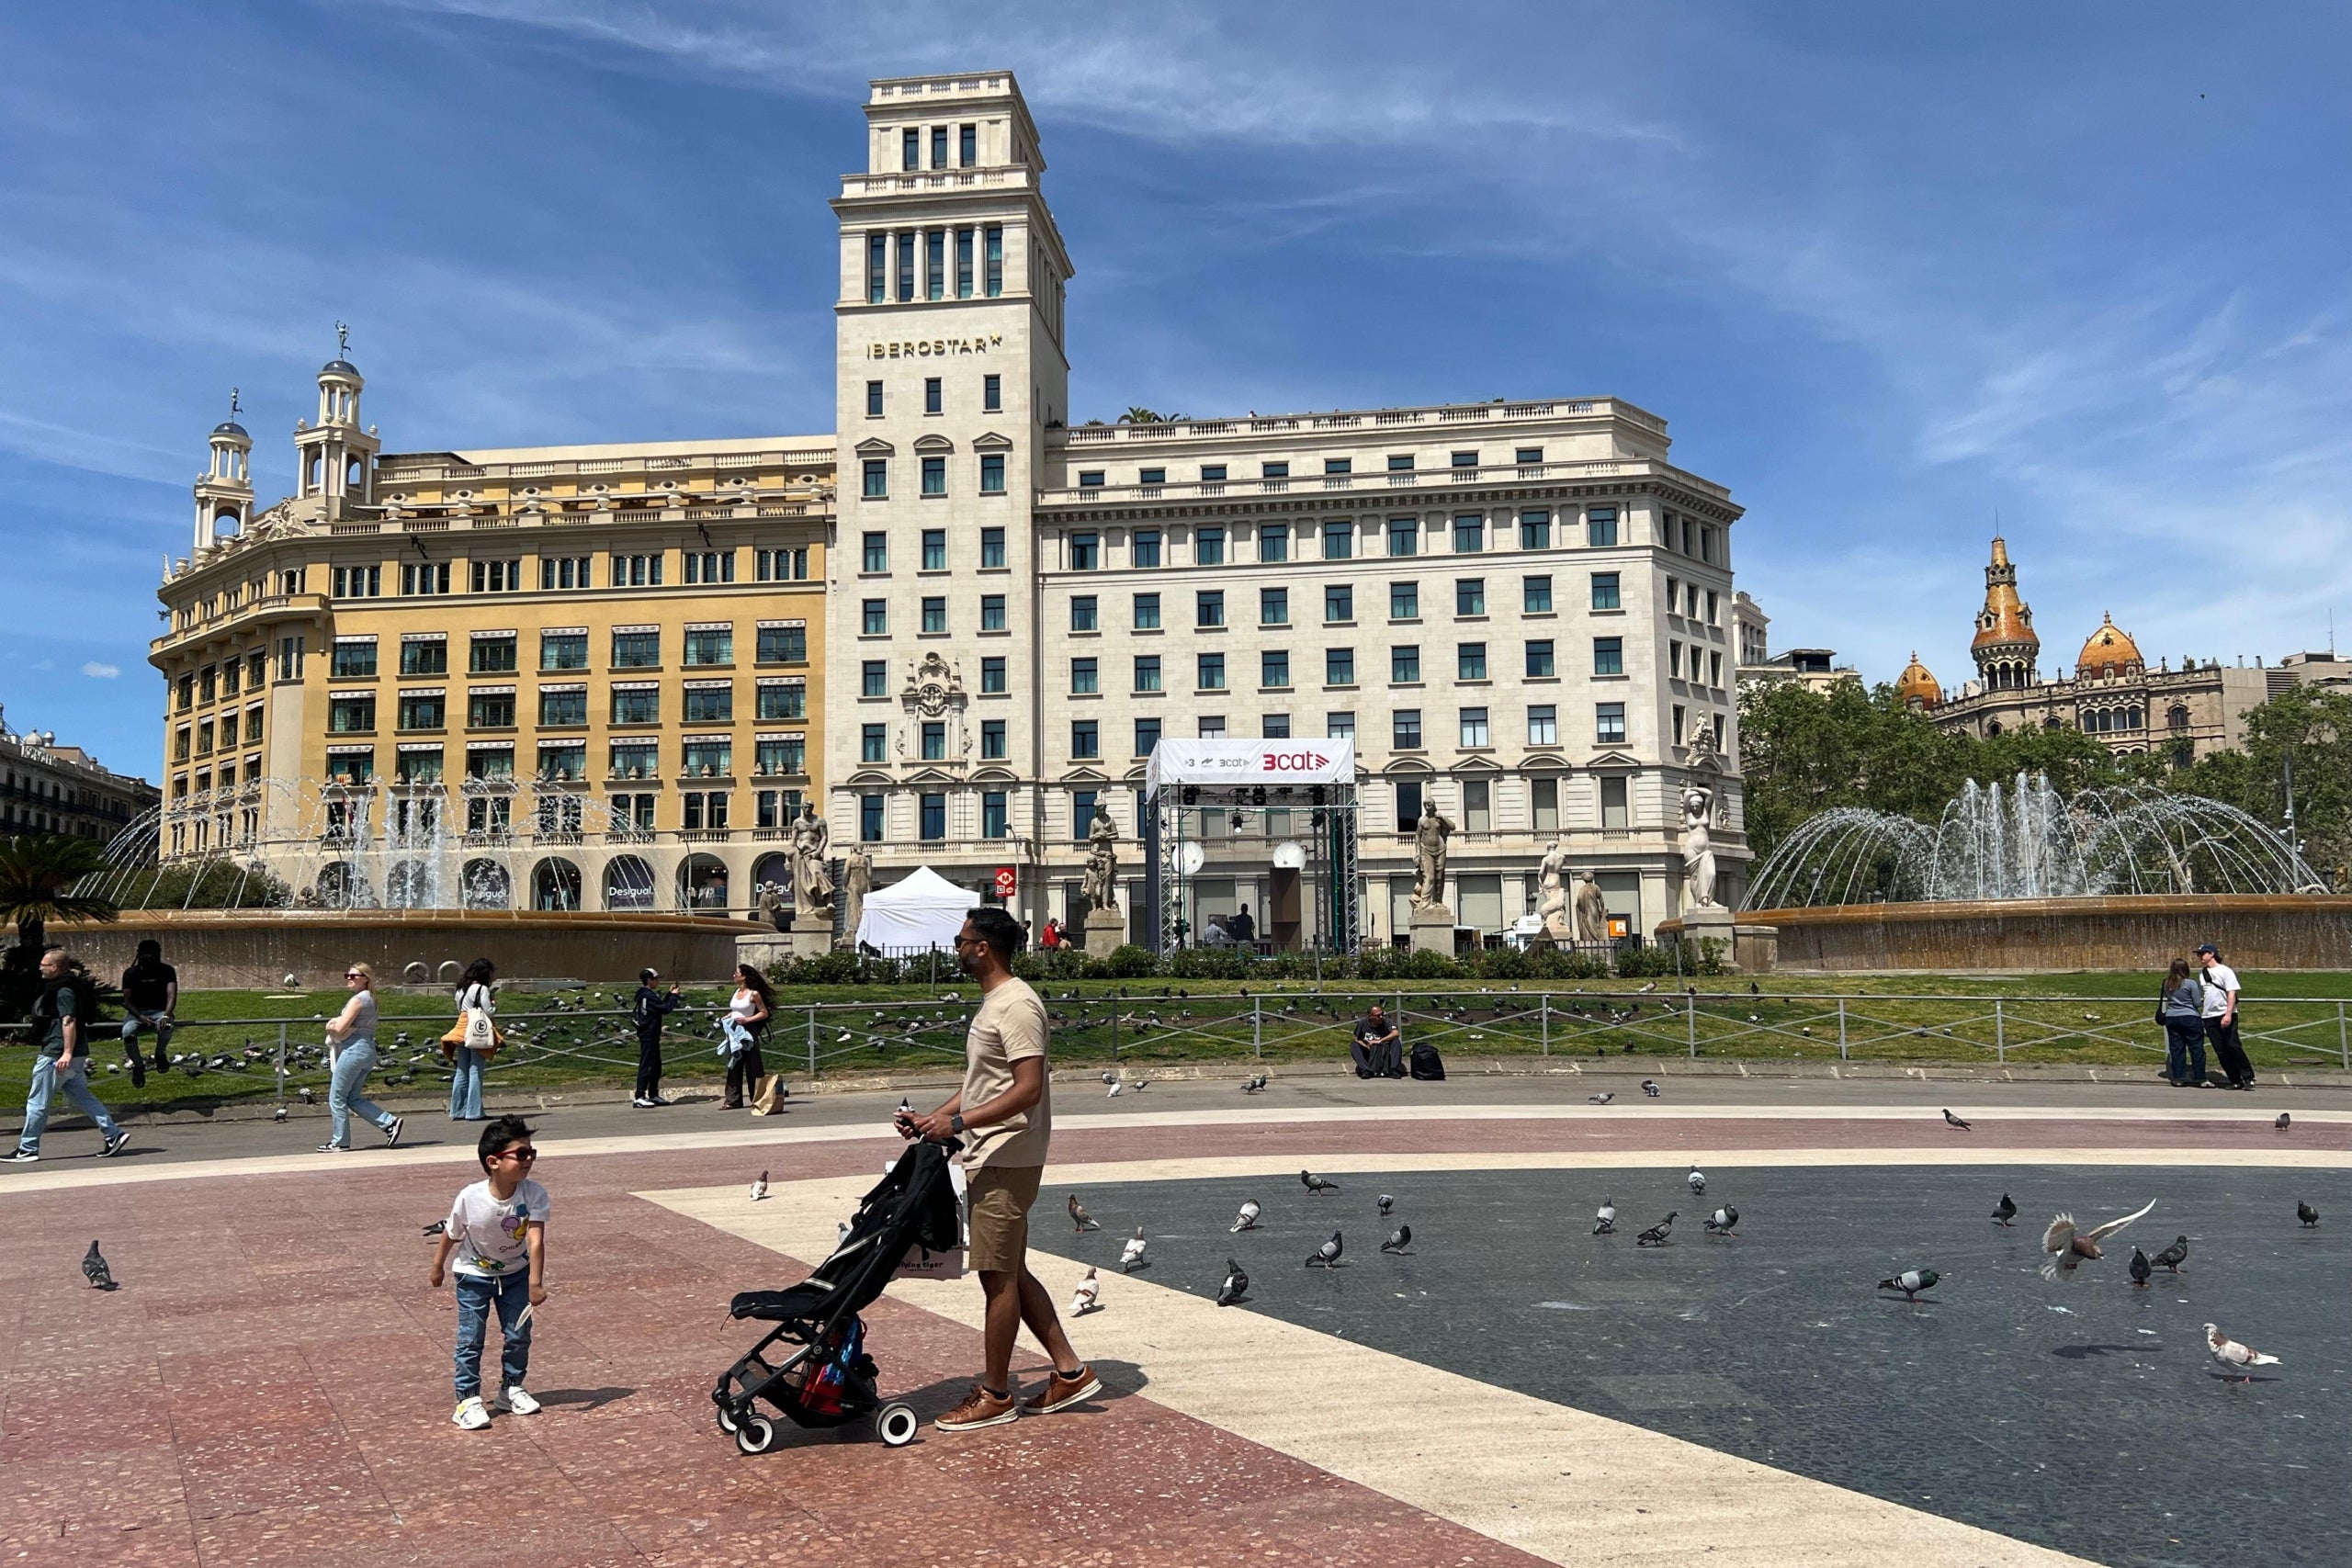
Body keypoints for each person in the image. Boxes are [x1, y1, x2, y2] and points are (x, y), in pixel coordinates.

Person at [903, 908, 1096, 1431]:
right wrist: (936, 1119)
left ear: (983, 947)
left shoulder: (1015, 1005)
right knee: (1009, 1269)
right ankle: (1071, 1372)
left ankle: (995, 1394)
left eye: (962, 939)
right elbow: (985, 1082)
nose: (957, 947)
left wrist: (960, 1122)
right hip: (992, 1151)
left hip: (1005, 1155)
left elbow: (1026, 1089)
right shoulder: (997, 1004)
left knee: (996, 1276)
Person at [428, 1115, 548, 1431]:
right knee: (471, 1339)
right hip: (473, 1276)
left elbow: (535, 1240)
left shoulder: (533, 1194)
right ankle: (467, 1400)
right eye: (521, 1154)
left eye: (531, 1153)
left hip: (517, 1275)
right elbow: (451, 1233)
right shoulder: (470, 1197)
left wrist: (535, 1283)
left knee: (518, 1334)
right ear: (493, 1161)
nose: (528, 1160)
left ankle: (511, 1388)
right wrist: (437, 1265)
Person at [11, 948, 130, 1163]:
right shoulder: (73, 986)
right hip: (77, 1054)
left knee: (37, 1101)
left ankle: (27, 1148)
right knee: (83, 1097)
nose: (40, 968)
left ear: (54, 967)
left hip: (57, 1054)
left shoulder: (63, 990)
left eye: (44, 965)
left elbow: (69, 1020)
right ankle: (114, 1134)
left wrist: (65, 1052)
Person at [322, 962, 405, 1149]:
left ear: (365, 979)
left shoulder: (359, 999)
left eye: (354, 976)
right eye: (347, 976)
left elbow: (342, 1027)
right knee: (352, 1097)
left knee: (336, 1097)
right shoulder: (371, 999)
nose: (349, 979)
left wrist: (331, 1024)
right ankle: (389, 1123)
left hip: (353, 1050)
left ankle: (340, 1141)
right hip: (367, 1050)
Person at [119, 938, 177, 1089]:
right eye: (145, 954)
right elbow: (127, 1001)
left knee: (166, 1026)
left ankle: (160, 1054)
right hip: (137, 1013)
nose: (148, 957)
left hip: (160, 1012)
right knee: (127, 1032)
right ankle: (138, 1066)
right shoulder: (130, 973)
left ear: (158, 954)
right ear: (139, 954)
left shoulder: (167, 970)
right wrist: (140, 1016)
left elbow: (172, 996)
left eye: (152, 954)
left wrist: (166, 1015)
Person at [2196, 942, 2253, 1089]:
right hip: (2209, 1015)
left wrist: (2228, 1014)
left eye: (2202, 953)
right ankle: (2235, 1079)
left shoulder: (2225, 971)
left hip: (2225, 1013)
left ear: (2212, 954)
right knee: (2220, 1049)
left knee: (2233, 1045)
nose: (2199, 956)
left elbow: (2231, 993)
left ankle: (2248, 1077)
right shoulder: (2202, 973)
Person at [447, 958, 497, 1122]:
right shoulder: (481, 989)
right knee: (476, 1070)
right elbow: (488, 1011)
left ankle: (458, 1110)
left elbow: (460, 1009)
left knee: (462, 1070)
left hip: (461, 1029)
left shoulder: (461, 989)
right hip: (477, 1032)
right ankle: (474, 1111)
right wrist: (494, 1004)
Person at [630, 968, 684, 1109]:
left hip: (651, 1034)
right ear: (649, 980)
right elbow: (666, 1009)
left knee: (655, 1066)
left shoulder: (646, 995)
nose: (658, 981)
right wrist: (674, 996)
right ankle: (640, 1096)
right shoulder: (648, 996)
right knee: (647, 1065)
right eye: (656, 979)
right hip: (648, 1035)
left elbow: (660, 1007)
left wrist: (669, 994)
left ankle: (653, 1094)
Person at [721, 963, 772, 1110]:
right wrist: (727, 1016)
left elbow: (764, 1012)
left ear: (743, 976)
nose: (734, 975)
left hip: (748, 1031)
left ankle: (757, 1098)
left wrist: (747, 1020)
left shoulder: (754, 994)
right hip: (734, 1031)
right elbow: (735, 1010)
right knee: (734, 1064)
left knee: (753, 1066)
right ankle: (733, 1100)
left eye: (736, 973)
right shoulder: (736, 992)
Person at [2156, 957, 2210, 1089]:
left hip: (2172, 1017)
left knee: (2176, 1049)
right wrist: (2204, 999)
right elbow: (2197, 1003)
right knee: (2196, 1049)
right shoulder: (2191, 983)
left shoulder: (2166, 983)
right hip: (2190, 1017)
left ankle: (2178, 1078)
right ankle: (2200, 1078)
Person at [1350, 1003, 1403, 1080]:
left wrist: (1379, 1041)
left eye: (1382, 1014)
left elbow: (1396, 1033)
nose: (1381, 1017)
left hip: (1384, 1050)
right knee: (1354, 1045)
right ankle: (1365, 1069)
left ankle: (1394, 1069)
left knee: (1396, 1042)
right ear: (1370, 1016)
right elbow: (1357, 1038)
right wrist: (1366, 1045)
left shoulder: (1386, 1021)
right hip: (1369, 1051)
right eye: (1378, 1015)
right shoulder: (1363, 1023)